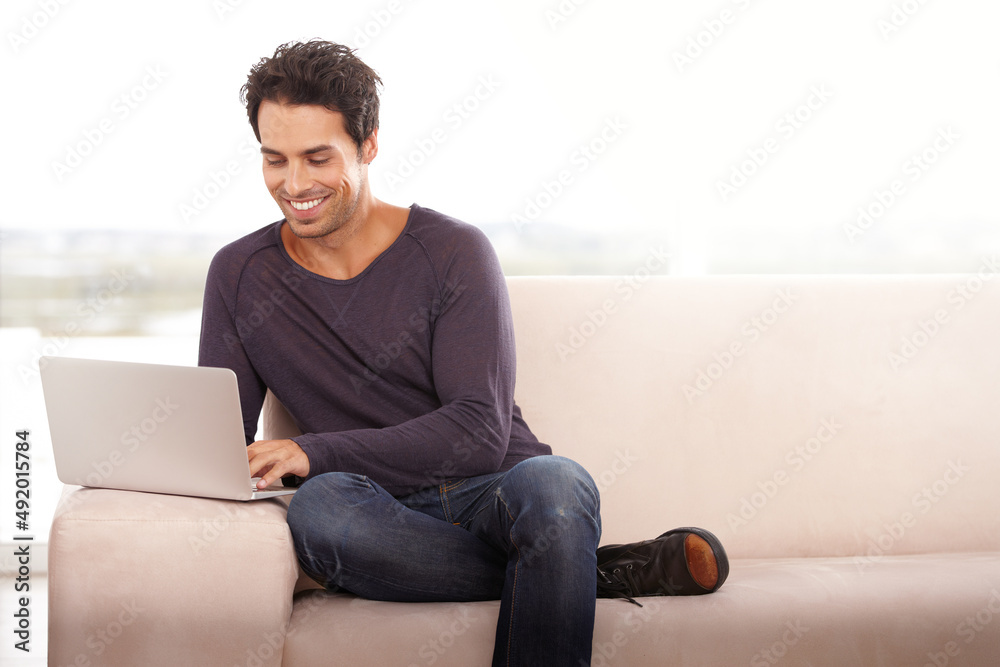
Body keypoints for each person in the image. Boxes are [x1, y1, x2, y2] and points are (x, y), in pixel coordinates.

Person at [198, 39, 728, 666]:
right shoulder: (238, 274)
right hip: (374, 506)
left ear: (369, 145)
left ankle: (562, 553)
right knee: (319, 513)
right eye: (274, 160)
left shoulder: (452, 251)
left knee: (558, 485)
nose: (294, 184)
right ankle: (584, 570)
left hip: (496, 490)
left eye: (318, 157)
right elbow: (217, 445)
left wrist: (313, 451)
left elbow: (477, 431)